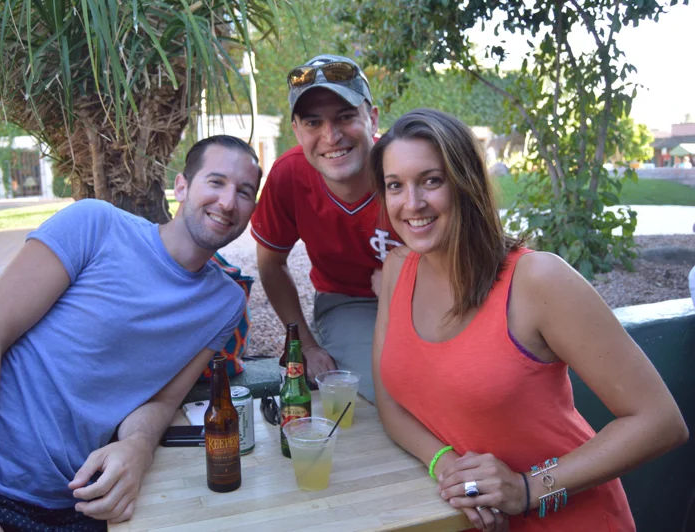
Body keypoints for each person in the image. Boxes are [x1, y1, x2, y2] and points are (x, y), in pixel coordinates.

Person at [0, 135, 263, 531]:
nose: (227, 202)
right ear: (181, 186)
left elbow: (162, 399)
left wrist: (137, 447)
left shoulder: (224, 303)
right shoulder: (95, 224)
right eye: (216, 182)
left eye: (244, 192)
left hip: (74, 503)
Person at [369, 109, 688, 531]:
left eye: (432, 180)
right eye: (396, 186)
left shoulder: (537, 280)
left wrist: (528, 489)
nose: (412, 203)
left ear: (466, 184)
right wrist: (445, 465)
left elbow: (660, 422)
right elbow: (390, 402)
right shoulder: (397, 269)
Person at [250, 53, 400, 402]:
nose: (330, 136)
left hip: (429, 295)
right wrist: (305, 344)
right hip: (350, 302)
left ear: (372, 118)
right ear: (297, 131)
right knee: (386, 394)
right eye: (313, 122)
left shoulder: (403, 166)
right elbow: (270, 263)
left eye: (345, 117)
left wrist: (401, 273)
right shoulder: (289, 175)